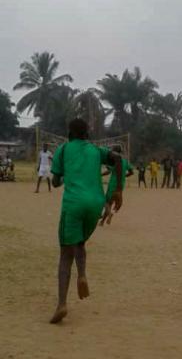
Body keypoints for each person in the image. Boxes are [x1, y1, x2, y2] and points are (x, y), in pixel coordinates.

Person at [49, 118, 124, 324]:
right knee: (80, 241)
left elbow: (55, 181)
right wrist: (118, 189)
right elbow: (118, 159)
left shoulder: (63, 150)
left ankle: (62, 304)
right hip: (95, 204)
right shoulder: (95, 150)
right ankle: (82, 274)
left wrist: (63, 177)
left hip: (74, 203)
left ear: (69, 133)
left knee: (66, 255)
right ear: (87, 134)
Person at [100, 145, 134, 225]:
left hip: (113, 185)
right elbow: (132, 172)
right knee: (115, 203)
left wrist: (100, 174)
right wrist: (124, 176)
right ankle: (102, 221)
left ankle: (109, 215)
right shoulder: (125, 161)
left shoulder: (113, 161)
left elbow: (108, 171)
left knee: (107, 203)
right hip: (120, 185)